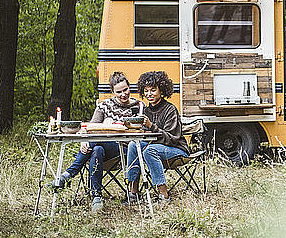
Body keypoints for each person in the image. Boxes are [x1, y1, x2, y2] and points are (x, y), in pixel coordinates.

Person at [51, 71, 144, 212]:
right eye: (119, 92)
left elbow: (140, 130)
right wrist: (84, 140)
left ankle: (69, 174)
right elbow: (91, 127)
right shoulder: (104, 106)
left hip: (124, 151)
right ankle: (97, 197)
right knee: (96, 150)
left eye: (126, 90)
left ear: (129, 87)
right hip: (103, 150)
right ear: (113, 91)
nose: (123, 94)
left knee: (95, 144)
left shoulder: (138, 106)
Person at [126, 71, 189, 203]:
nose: (149, 94)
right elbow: (147, 136)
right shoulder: (146, 111)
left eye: (153, 90)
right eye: (146, 91)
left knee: (150, 150)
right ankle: (134, 192)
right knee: (133, 145)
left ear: (162, 90)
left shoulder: (170, 110)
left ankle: (164, 195)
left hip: (177, 149)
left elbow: (172, 139)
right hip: (156, 148)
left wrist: (150, 125)